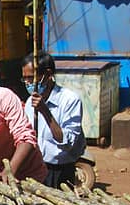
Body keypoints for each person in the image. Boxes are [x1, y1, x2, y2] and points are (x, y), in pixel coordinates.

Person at [22, 51, 85, 189]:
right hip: (36, 168)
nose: (27, 83)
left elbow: (68, 142)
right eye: (24, 79)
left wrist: (45, 112)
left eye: (30, 78)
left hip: (59, 171)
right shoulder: (29, 102)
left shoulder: (69, 100)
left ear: (48, 75)